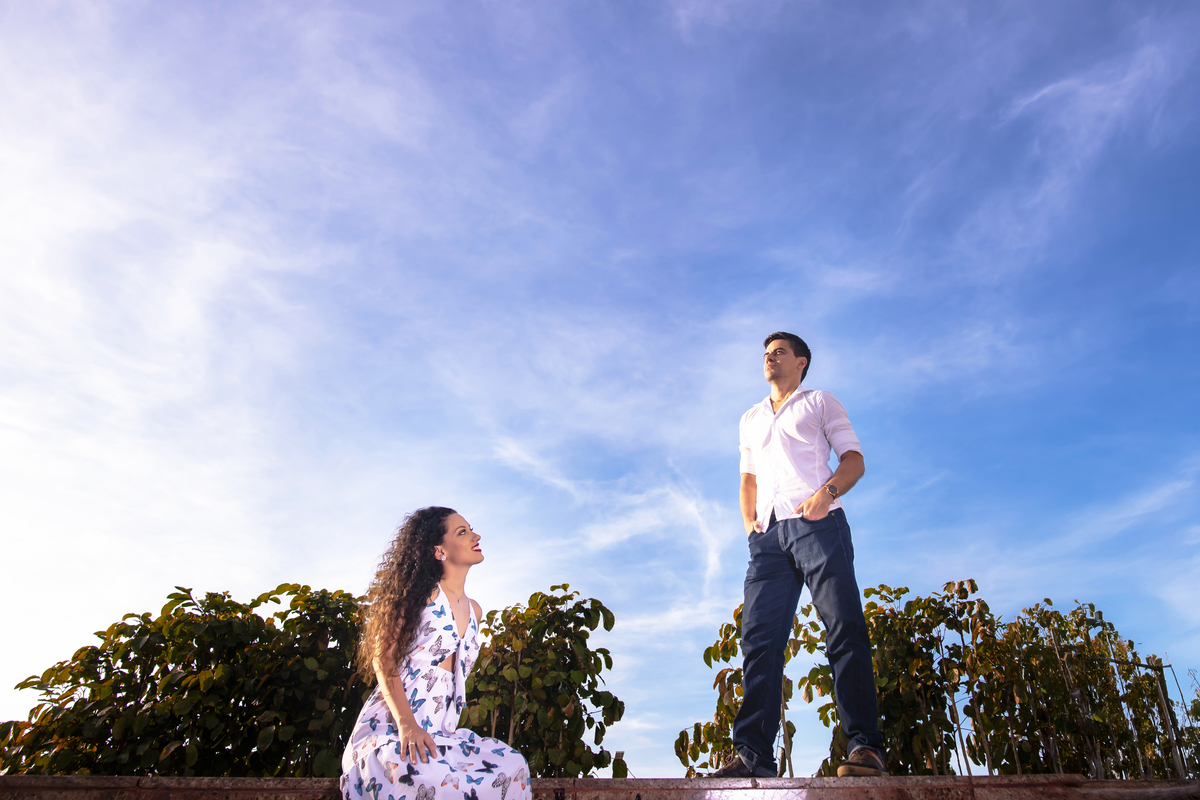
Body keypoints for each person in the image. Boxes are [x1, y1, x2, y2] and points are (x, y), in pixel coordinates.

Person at [710, 332, 888, 778]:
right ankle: (754, 756)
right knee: (759, 642)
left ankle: (865, 747)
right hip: (767, 538)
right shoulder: (749, 418)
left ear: (801, 362)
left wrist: (825, 495)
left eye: (780, 352)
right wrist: (749, 522)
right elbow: (747, 476)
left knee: (843, 625)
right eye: (766, 353)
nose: (770, 358)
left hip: (817, 524)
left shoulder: (820, 402)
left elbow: (854, 461)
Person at [342, 506, 531, 800]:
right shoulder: (421, 596)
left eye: (471, 529)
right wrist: (407, 725)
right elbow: (383, 658)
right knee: (426, 776)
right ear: (439, 550)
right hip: (394, 729)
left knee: (513, 767)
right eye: (463, 532)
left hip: (442, 735)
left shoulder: (475, 611)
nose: (475, 536)